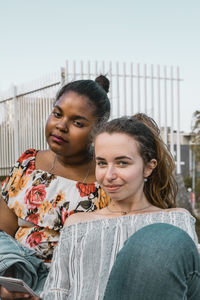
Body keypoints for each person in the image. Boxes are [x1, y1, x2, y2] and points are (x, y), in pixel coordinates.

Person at [41, 115, 200, 300]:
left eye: (122, 163)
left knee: (163, 239)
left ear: (149, 167)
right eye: (101, 163)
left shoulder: (175, 220)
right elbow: (55, 292)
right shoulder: (76, 225)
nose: (109, 175)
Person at [0, 75, 111, 299]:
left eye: (77, 123)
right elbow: (4, 234)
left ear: (97, 132)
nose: (61, 125)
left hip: (71, 286)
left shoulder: (104, 180)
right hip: (17, 275)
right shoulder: (28, 163)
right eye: (57, 114)